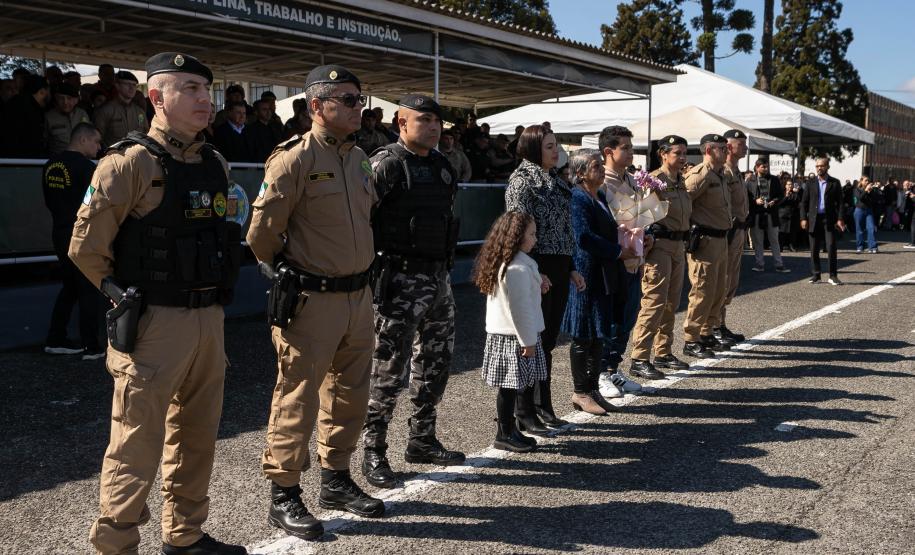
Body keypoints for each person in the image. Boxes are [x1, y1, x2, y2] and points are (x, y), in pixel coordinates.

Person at [70, 52, 246, 555]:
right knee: (135, 442)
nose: (204, 99)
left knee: (197, 436)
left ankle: (184, 535)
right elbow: (85, 249)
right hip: (153, 324)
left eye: (206, 90)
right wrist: (121, 299)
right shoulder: (129, 162)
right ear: (156, 98)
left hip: (208, 319)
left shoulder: (214, 163)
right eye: (189, 88)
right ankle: (117, 544)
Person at [246, 64, 384, 541]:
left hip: (358, 297)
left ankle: (336, 478)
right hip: (311, 300)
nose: (357, 107)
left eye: (359, 98)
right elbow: (261, 234)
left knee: (351, 393)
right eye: (347, 99)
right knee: (297, 397)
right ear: (316, 106)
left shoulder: (360, 158)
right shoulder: (293, 159)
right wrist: (291, 269)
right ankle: (283, 493)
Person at [360, 94, 465, 489]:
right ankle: (374, 449)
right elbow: (362, 220)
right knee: (388, 369)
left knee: (436, 363)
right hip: (398, 282)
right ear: (401, 123)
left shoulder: (442, 166)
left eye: (437, 120)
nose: (434, 126)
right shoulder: (386, 164)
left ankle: (422, 438)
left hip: (438, 280)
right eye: (424, 120)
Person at [505, 124, 585, 435]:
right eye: (549, 146)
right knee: (532, 339)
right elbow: (516, 232)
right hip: (536, 266)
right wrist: (534, 271)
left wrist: (571, 267)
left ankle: (543, 405)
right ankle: (524, 410)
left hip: (559, 265)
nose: (556, 152)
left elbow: (565, 230)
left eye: (556, 146)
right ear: (532, 149)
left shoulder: (554, 181)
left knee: (547, 341)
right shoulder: (522, 182)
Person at [561, 149, 637, 414]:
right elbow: (583, 236)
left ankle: (593, 390)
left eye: (601, 165)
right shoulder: (577, 197)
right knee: (583, 335)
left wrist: (626, 235)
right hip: (586, 274)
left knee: (598, 334)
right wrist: (617, 251)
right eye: (596, 166)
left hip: (604, 273)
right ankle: (581, 391)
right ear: (580, 173)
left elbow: (607, 229)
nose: (602, 169)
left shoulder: (600, 195)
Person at [474, 211, 544, 453]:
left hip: (510, 335)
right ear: (517, 236)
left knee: (512, 387)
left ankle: (509, 429)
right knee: (509, 387)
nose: (535, 238)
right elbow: (519, 310)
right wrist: (529, 340)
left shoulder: (510, 263)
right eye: (531, 234)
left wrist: (539, 283)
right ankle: (504, 432)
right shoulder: (517, 268)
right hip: (514, 337)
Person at [627, 135, 692, 379]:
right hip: (660, 245)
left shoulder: (680, 180)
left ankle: (663, 352)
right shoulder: (653, 180)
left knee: (671, 303)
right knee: (654, 301)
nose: (683, 157)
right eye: (677, 153)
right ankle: (639, 357)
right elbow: (641, 215)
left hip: (678, 245)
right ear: (663, 154)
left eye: (685, 153)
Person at [42, 122, 104, 359]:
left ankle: (55, 338)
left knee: (70, 287)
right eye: (96, 141)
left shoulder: (50, 165)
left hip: (59, 230)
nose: (99, 147)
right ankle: (91, 346)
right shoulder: (87, 168)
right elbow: (91, 201)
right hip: (80, 233)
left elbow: (48, 199)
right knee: (88, 288)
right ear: (83, 140)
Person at [597, 125, 646, 395]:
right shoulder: (601, 181)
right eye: (625, 148)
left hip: (634, 259)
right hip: (614, 259)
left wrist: (647, 236)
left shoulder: (631, 179)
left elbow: (638, 216)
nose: (630, 152)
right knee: (611, 318)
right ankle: (600, 372)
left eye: (631, 147)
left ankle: (613, 369)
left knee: (628, 317)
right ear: (608, 151)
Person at [682, 134, 733, 359]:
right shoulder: (700, 174)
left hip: (721, 240)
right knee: (702, 291)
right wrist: (689, 231)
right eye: (722, 148)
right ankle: (691, 339)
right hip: (705, 241)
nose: (727, 151)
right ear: (710, 150)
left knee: (718, 291)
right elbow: (683, 203)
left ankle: (706, 332)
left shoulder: (720, 174)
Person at [716, 130, 752, 346]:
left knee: (731, 280)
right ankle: (713, 326)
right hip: (728, 232)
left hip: (739, 230)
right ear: (729, 146)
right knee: (722, 280)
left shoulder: (736, 171)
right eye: (741, 144)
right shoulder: (724, 172)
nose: (745, 148)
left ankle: (720, 324)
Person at [801, 157, 845, 285]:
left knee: (831, 247)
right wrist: (803, 218)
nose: (819, 168)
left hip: (829, 219)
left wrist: (840, 218)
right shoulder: (810, 183)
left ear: (827, 167)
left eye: (822, 166)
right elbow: (804, 202)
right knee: (814, 248)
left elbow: (840, 203)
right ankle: (816, 275)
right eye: (817, 166)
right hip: (814, 219)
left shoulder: (835, 183)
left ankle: (833, 276)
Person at [747, 158, 789, 273]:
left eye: (767, 167)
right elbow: (746, 197)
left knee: (774, 240)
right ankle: (759, 264)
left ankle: (779, 265)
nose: (766, 169)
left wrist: (774, 201)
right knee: (758, 241)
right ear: (757, 167)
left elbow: (780, 195)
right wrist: (755, 201)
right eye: (763, 167)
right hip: (757, 214)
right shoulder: (750, 180)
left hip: (771, 214)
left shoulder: (774, 179)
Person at [93, 70, 149, 148]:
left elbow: (146, 134)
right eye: (127, 84)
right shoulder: (105, 111)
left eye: (134, 85)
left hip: (137, 153)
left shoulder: (139, 111)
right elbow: (97, 139)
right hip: (113, 154)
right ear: (117, 86)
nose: (131, 88)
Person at [1, 74, 50, 157]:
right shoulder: (28, 109)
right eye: (49, 91)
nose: (50, 95)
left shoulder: (15, 103)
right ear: (42, 91)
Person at [45, 83, 92, 155]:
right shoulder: (49, 116)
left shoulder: (82, 114)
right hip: (58, 159)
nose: (65, 102)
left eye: (69, 98)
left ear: (76, 100)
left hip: (81, 158)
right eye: (61, 98)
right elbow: (44, 142)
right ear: (56, 99)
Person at [246, 98, 284, 163]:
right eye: (264, 109)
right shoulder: (251, 130)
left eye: (269, 109)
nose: (268, 112)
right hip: (260, 164)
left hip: (277, 162)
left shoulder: (276, 128)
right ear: (256, 112)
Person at [853, 176, 880, 254]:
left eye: (868, 181)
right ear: (861, 181)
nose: (867, 182)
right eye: (866, 180)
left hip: (869, 211)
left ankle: (872, 247)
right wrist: (865, 190)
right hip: (859, 210)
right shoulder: (857, 189)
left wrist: (871, 191)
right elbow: (860, 198)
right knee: (859, 229)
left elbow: (874, 200)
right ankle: (860, 246)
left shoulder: (871, 190)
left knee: (871, 228)